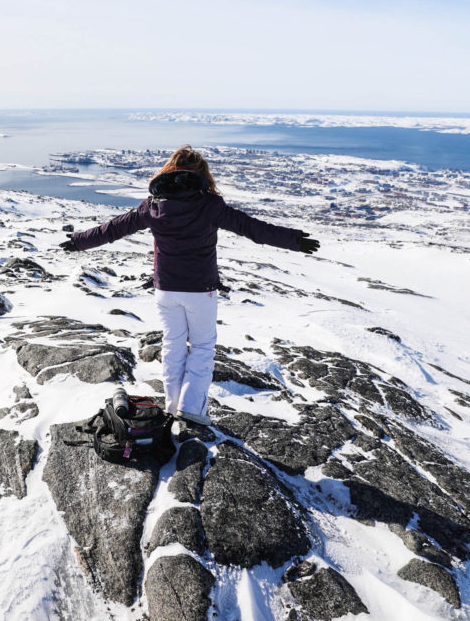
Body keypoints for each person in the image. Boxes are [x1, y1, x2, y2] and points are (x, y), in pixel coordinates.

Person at [60, 146, 319, 429]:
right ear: (201, 175)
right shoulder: (210, 205)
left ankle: (173, 407)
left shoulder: (153, 205)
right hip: (200, 290)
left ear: (169, 171)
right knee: (202, 347)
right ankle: (191, 408)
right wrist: (295, 241)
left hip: (166, 289)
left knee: (172, 345)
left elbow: (113, 229)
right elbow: (253, 229)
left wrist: (78, 241)